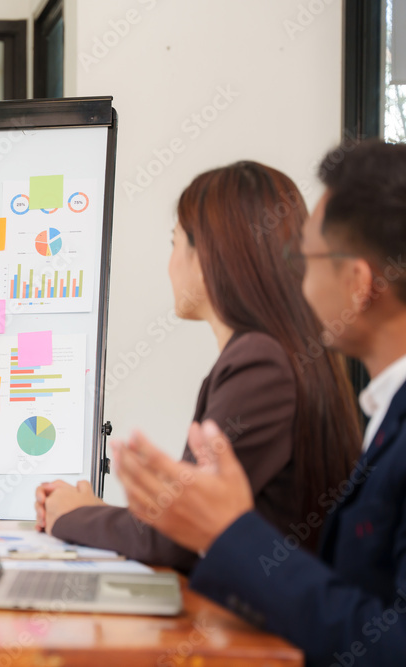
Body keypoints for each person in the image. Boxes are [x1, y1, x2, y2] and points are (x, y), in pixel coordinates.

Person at [114, 140, 406, 667]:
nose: (298, 277)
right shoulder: (386, 411)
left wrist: (230, 531)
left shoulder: (267, 361)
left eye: (307, 258)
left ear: (359, 284)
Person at [34, 161, 360, 571]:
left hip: (257, 627)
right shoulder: (278, 351)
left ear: (205, 258)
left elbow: (173, 537)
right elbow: (180, 521)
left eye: (175, 243)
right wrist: (93, 510)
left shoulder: (260, 362)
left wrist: (71, 515)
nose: (170, 264)